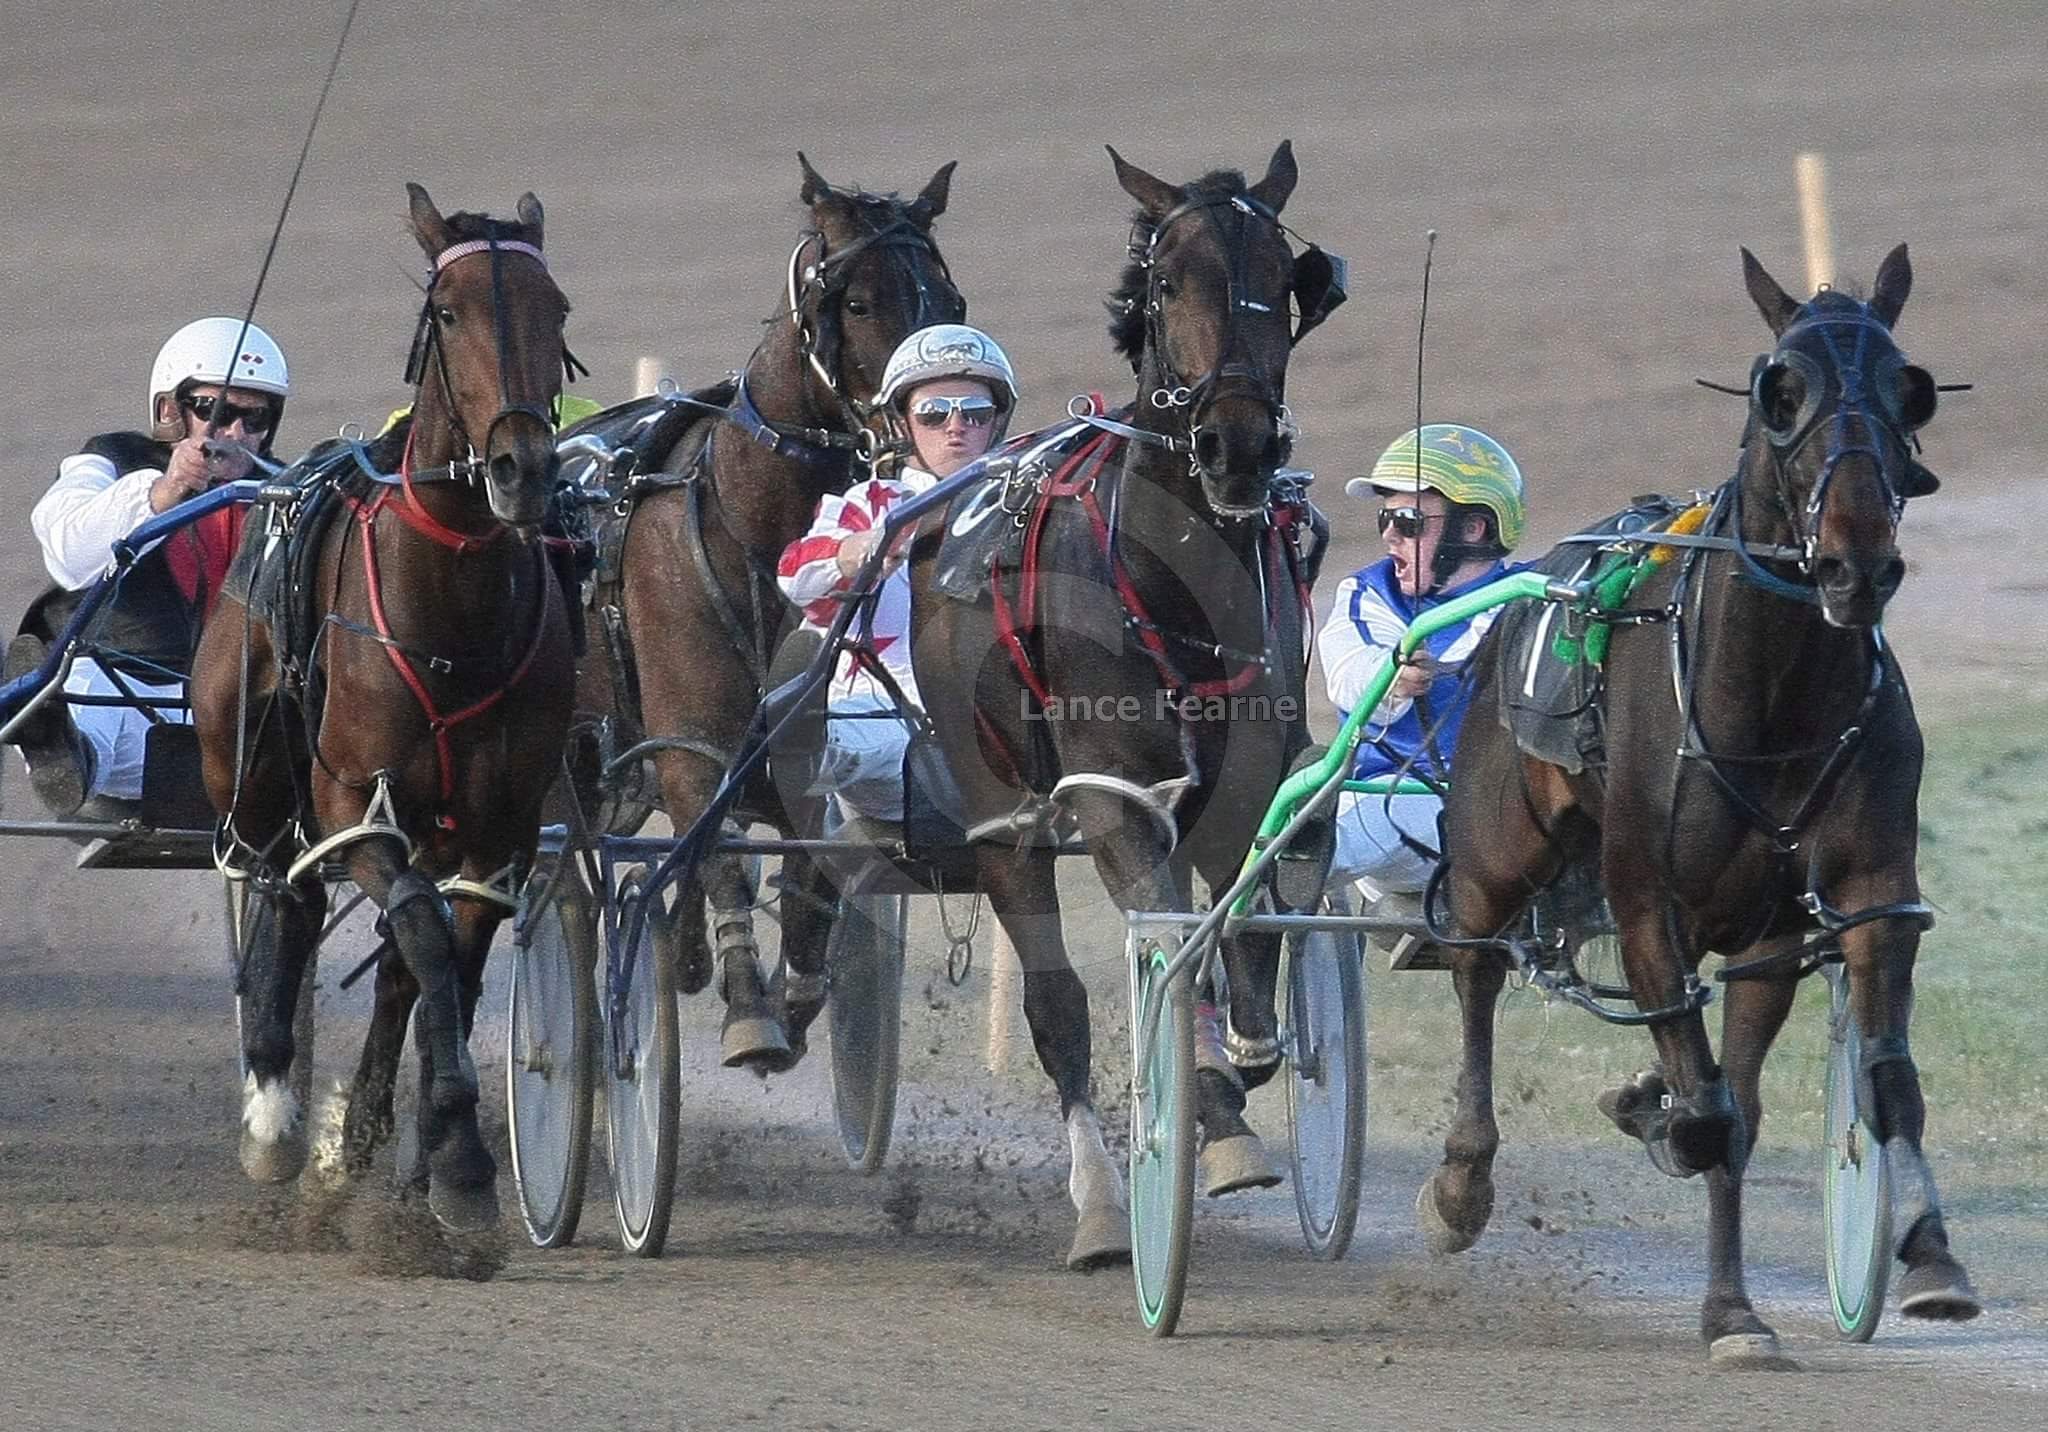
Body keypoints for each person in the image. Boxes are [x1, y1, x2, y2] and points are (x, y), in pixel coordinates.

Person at [7, 317, 290, 814]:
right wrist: (162, 492)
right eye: (216, 411)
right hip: (125, 697)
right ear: (169, 410)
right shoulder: (110, 460)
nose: (236, 433)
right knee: (88, 684)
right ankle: (61, 745)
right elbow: (68, 553)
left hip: (239, 718)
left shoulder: (288, 491)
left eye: (256, 418)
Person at [775, 323, 1018, 825]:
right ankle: (802, 757)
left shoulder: (1025, 507)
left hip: (1000, 720)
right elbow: (793, 574)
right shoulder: (870, 503)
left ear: (996, 423)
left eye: (975, 413)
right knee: (860, 745)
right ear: (904, 424)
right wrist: (856, 552)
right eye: (933, 413)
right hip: (881, 712)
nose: (956, 427)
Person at [1315, 423, 1526, 961]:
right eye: (1386, 518)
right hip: (1399, 802)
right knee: (1338, 834)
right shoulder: (1369, 595)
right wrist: (1394, 676)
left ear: (1474, 528)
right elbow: (1348, 673)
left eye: (1407, 522)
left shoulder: (1534, 595)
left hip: (1514, 814)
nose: (1389, 536)